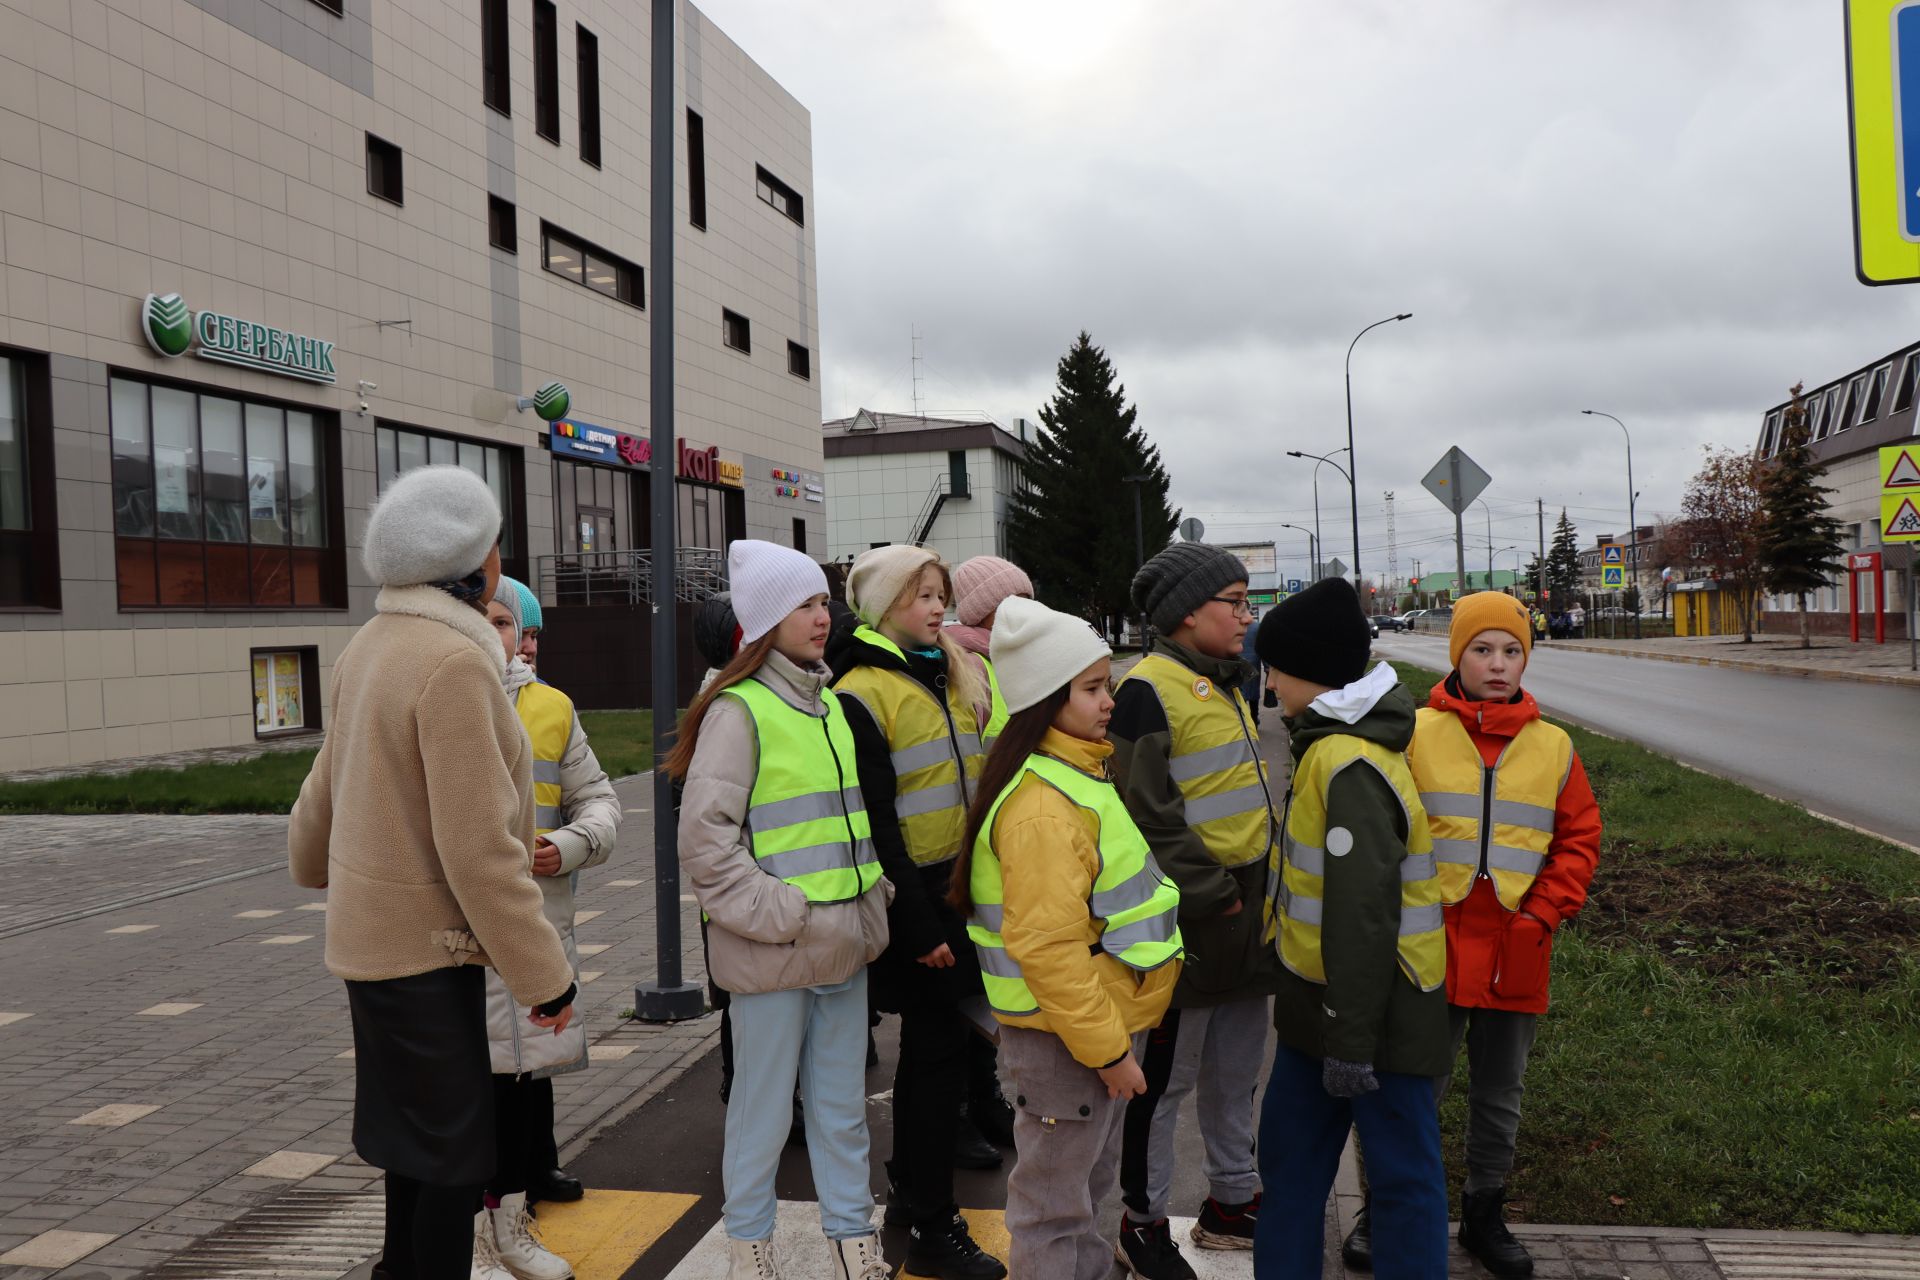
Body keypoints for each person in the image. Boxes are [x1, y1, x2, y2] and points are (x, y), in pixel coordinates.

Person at [289, 466, 576, 1280]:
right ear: (470, 560)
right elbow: (479, 849)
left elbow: (324, 783)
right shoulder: (454, 661)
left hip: (371, 948)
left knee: (412, 1151)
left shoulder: (369, 645)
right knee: (453, 1160)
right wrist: (544, 975)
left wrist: (313, 866)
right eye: (493, 546)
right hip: (428, 952)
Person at [668, 540, 893, 1280]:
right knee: (760, 1118)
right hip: (778, 950)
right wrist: (782, 914)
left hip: (838, 945)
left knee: (842, 1114)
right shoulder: (740, 710)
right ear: (766, 618)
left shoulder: (826, 702)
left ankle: (855, 1245)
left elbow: (844, 825)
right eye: (804, 604)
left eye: (824, 601)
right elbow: (704, 844)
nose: (822, 616)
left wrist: (869, 899)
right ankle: (750, 1250)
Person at [947, 596, 1183, 1280]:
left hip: (1090, 1030)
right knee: (1054, 1208)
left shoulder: (1078, 772)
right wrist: (1111, 1053)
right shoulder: (1045, 806)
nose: (1108, 700)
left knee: (1085, 1194)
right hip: (1071, 1042)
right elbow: (1048, 953)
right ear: (1046, 698)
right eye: (1091, 688)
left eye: (1105, 683)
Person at [1252, 578, 1449, 1280]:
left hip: (1374, 1020)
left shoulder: (1347, 762)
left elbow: (1364, 915)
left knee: (1401, 1182)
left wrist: (1352, 1041)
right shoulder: (1331, 744)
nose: (1268, 681)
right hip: (1326, 1013)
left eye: (1274, 666)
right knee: (1291, 1170)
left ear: (1311, 668)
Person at [1402, 593, 1601, 1278]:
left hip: (1518, 945)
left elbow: (1579, 839)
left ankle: (1484, 1212)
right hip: (1435, 942)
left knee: (1499, 1091)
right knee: (1416, 1084)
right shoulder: (1417, 732)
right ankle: (1398, 1209)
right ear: (1456, 654)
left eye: (1511, 650)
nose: (1497, 664)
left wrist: (1543, 913)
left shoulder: (1553, 746)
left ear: (1527, 658)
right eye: (1482, 650)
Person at [828, 545, 1005, 1280]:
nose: (938, 607)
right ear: (880, 608)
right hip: (920, 901)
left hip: (967, 891)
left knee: (951, 1057)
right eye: (919, 596)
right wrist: (920, 925)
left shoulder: (954, 672)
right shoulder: (862, 692)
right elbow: (873, 821)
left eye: (940, 594)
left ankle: (911, 1193)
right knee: (934, 1062)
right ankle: (932, 1226)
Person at [1109, 543, 1281, 1280]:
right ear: (1187, 614)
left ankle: (1231, 1202)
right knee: (1167, 1079)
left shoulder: (1230, 682)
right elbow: (1145, 813)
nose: (1248, 615)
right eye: (1235, 602)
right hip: (1195, 918)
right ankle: (1139, 1219)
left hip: (1248, 912)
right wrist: (1214, 893)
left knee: (1237, 1068)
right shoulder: (1148, 689)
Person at [472, 578, 621, 1280]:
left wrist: (567, 845)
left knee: (526, 1088)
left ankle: (511, 1224)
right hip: (463, 943)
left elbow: (601, 803)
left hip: (536, 929)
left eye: (515, 624)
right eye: (495, 620)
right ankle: (479, 1235)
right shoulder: (442, 696)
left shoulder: (553, 708)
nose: (510, 637)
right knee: (477, 1098)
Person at [946, 555, 1034, 744]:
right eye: (1009, 605)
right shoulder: (972, 667)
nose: (1022, 612)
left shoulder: (1023, 656)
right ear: (979, 614)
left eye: (1026, 602)